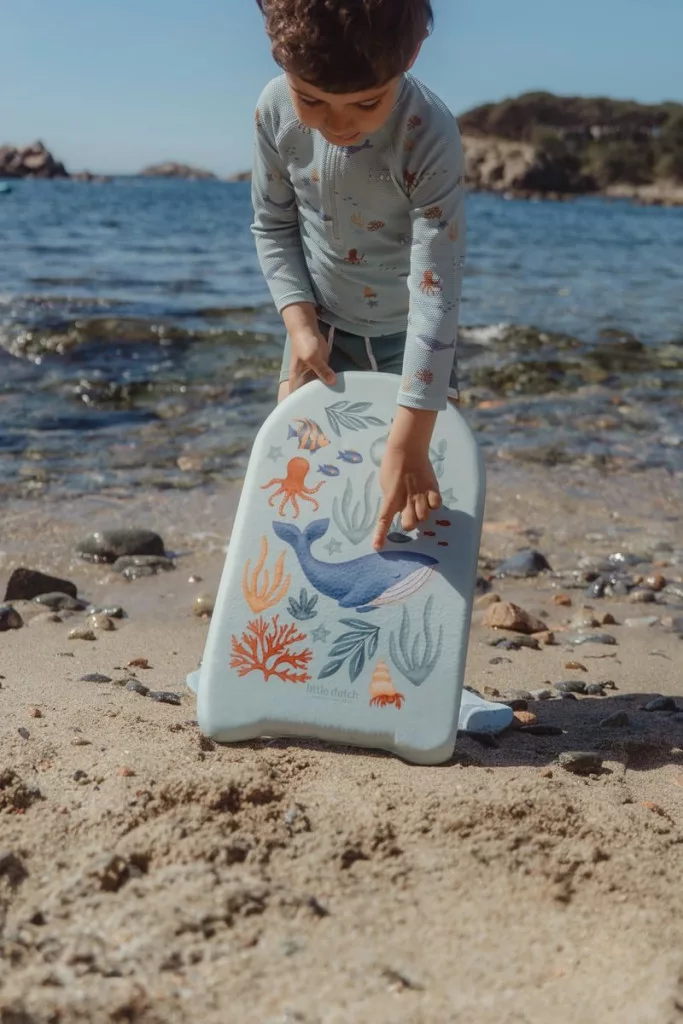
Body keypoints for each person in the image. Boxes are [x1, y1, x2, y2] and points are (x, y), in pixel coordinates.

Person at [251, 0, 466, 550]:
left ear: (411, 55)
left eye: (367, 103)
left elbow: (436, 290)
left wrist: (410, 439)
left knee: (414, 478)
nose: (337, 124)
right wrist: (300, 325)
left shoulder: (428, 131)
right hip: (319, 327)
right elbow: (273, 227)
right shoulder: (274, 110)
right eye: (311, 100)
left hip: (412, 337)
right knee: (304, 468)